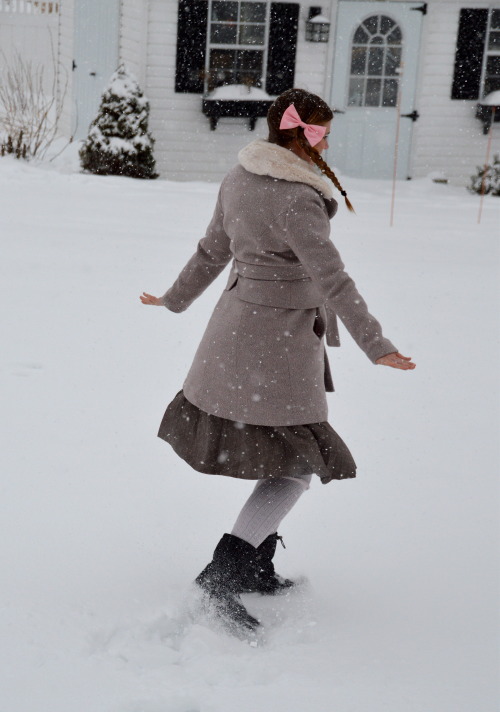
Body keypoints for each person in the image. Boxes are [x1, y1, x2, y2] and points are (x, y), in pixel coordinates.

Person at [140, 88, 415, 635]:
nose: (329, 140)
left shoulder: (238, 179)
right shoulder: (298, 198)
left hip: (237, 331)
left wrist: (174, 298)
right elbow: (333, 278)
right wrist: (375, 343)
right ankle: (228, 568)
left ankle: (253, 563)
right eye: (324, 131)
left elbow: (210, 252)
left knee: (285, 458)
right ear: (301, 134)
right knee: (295, 466)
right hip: (279, 344)